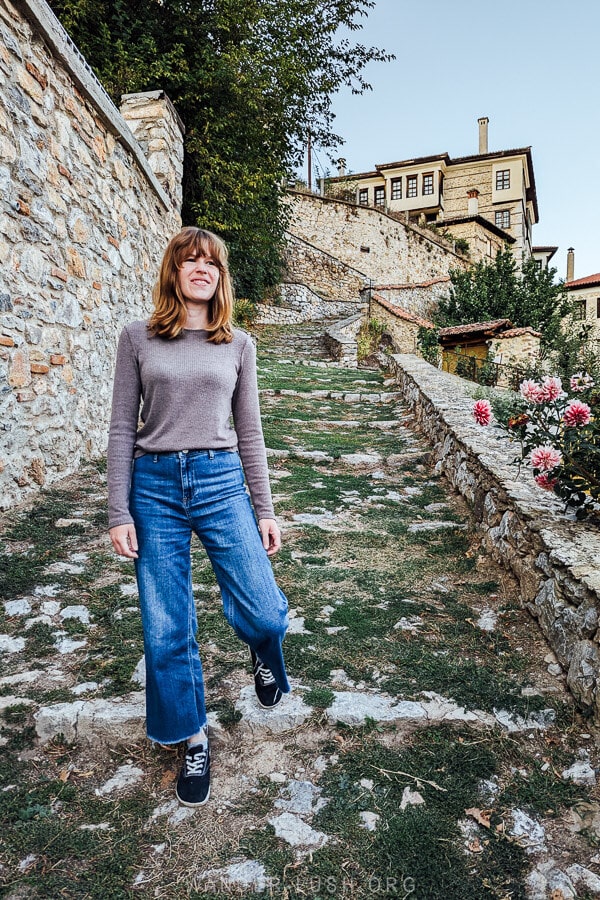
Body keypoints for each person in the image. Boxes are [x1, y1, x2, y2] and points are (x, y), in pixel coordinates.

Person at [107, 226, 290, 807]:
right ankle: (192, 736)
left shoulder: (237, 344)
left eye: (211, 262)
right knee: (166, 624)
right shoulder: (137, 338)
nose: (202, 269)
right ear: (175, 271)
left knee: (263, 606)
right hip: (154, 486)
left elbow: (251, 432)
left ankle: (264, 649)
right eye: (191, 261)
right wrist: (118, 509)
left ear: (221, 276)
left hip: (218, 478)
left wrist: (264, 507)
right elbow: (119, 429)